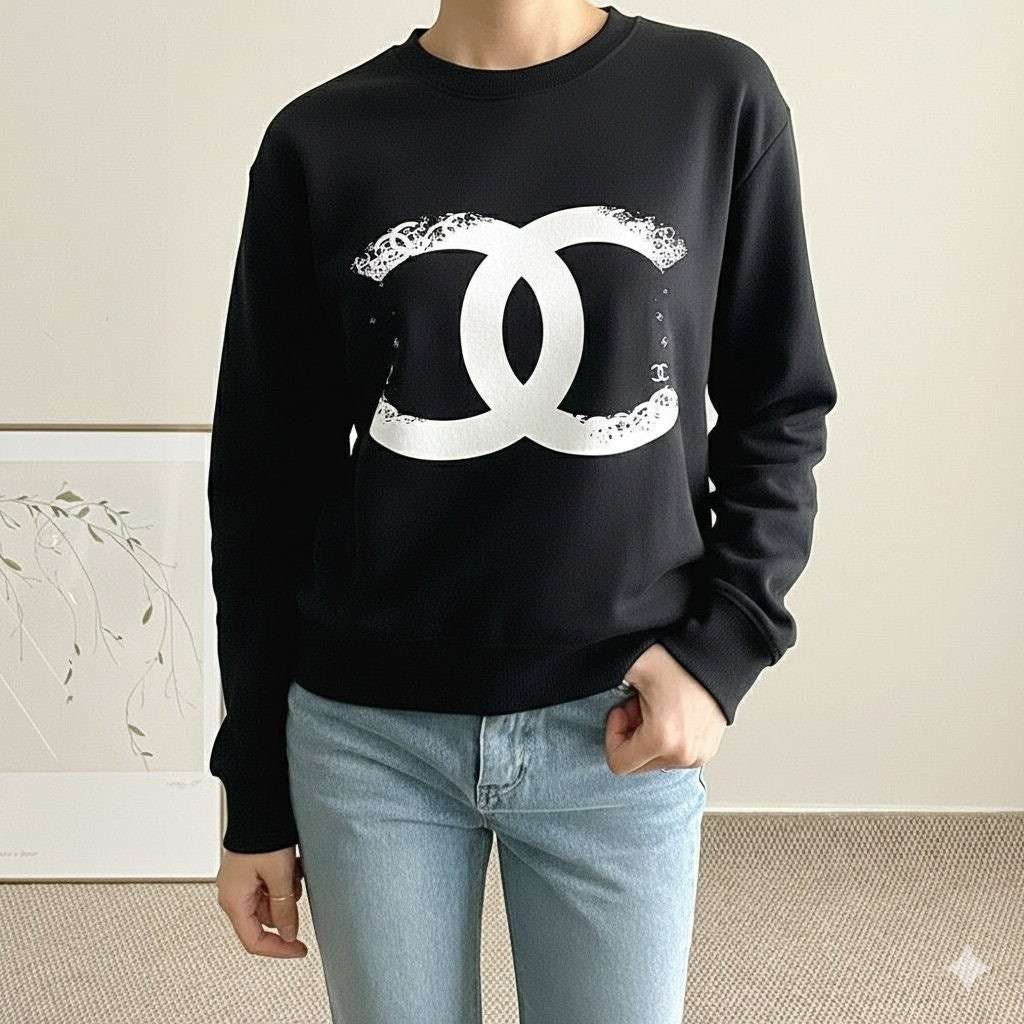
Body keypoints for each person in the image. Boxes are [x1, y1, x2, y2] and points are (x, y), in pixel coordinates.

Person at [209, 2, 838, 1022]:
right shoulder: (320, 141)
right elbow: (264, 487)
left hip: (617, 724)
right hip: (369, 740)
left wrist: (722, 654)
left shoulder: (714, 100)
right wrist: (253, 793)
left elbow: (781, 405)